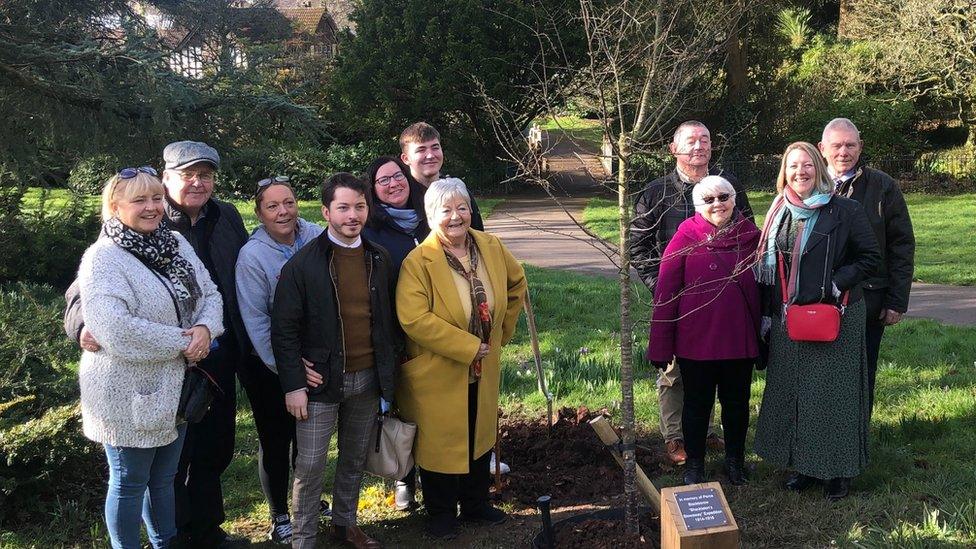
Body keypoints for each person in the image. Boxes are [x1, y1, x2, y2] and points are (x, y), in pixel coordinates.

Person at [65, 141, 254, 547]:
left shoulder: (222, 219)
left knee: (207, 455)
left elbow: (213, 290)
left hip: (207, 362)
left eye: (206, 175)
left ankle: (204, 532)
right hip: (142, 375)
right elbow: (91, 300)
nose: (198, 183)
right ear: (168, 178)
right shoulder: (114, 245)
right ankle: (171, 536)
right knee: (140, 476)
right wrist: (82, 325)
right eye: (188, 175)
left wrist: (208, 331)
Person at [271, 173, 399, 549]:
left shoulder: (379, 257)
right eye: (343, 208)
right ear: (326, 211)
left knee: (354, 457)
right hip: (319, 385)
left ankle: (345, 524)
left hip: (367, 377)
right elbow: (284, 329)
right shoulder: (303, 265)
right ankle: (303, 538)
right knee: (310, 466)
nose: (352, 215)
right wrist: (293, 383)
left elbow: (388, 319)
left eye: (359, 207)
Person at [395, 177, 527, 539]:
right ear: (430, 215)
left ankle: (475, 503)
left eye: (462, 207)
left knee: (478, 432)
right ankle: (440, 513)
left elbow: (517, 284)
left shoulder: (490, 246)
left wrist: (501, 332)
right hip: (439, 368)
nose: (456, 216)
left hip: (484, 366)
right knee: (441, 440)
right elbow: (414, 318)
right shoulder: (418, 261)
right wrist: (468, 347)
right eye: (446, 210)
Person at [753, 141, 881, 501]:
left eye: (807, 165)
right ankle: (804, 466)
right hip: (790, 319)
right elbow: (769, 267)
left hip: (835, 316)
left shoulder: (845, 210)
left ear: (819, 169)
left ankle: (838, 472)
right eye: (793, 166)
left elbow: (871, 257)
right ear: (784, 172)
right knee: (796, 393)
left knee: (833, 396)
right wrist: (767, 315)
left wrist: (837, 281)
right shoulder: (779, 210)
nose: (800, 172)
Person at [629, 120, 754, 465]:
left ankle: (707, 432)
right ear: (673, 149)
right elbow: (638, 246)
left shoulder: (730, 188)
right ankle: (675, 437)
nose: (698, 147)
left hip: (723, 306)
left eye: (705, 140)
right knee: (674, 374)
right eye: (690, 141)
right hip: (676, 302)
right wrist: (664, 292)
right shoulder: (656, 194)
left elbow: (749, 237)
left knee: (715, 372)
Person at [646, 176, 761, 486]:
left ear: (734, 199)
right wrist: (659, 344)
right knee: (697, 405)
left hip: (739, 339)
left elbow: (767, 289)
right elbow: (666, 294)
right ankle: (694, 464)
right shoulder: (685, 237)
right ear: (697, 206)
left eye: (723, 197)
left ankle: (735, 462)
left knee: (736, 404)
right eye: (708, 200)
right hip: (697, 341)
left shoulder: (752, 238)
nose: (717, 204)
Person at [234, 176, 326, 544]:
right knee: (276, 439)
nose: (283, 211)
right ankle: (280, 515)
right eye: (272, 206)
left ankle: (308, 501)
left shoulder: (316, 235)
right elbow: (255, 320)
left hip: (314, 357)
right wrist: (287, 369)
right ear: (259, 213)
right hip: (268, 363)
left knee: (309, 437)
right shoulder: (252, 257)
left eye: (287, 202)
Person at [819, 118, 915, 414]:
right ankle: (822, 437)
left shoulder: (883, 186)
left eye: (850, 145)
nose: (843, 152)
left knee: (862, 371)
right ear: (823, 149)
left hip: (870, 297)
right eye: (837, 145)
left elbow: (901, 244)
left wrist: (897, 300)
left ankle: (857, 441)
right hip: (819, 297)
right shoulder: (809, 181)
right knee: (821, 372)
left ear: (860, 147)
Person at [399, 121, 484, 230]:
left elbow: (476, 235)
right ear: (405, 159)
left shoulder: (458, 191)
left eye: (435, 148)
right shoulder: (403, 199)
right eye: (421, 150)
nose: (430, 155)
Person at [362, 156, 430, 271]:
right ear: (373, 189)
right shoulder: (367, 234)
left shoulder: (432, 217)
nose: (394, 184)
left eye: (398, 175)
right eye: (384, 180)